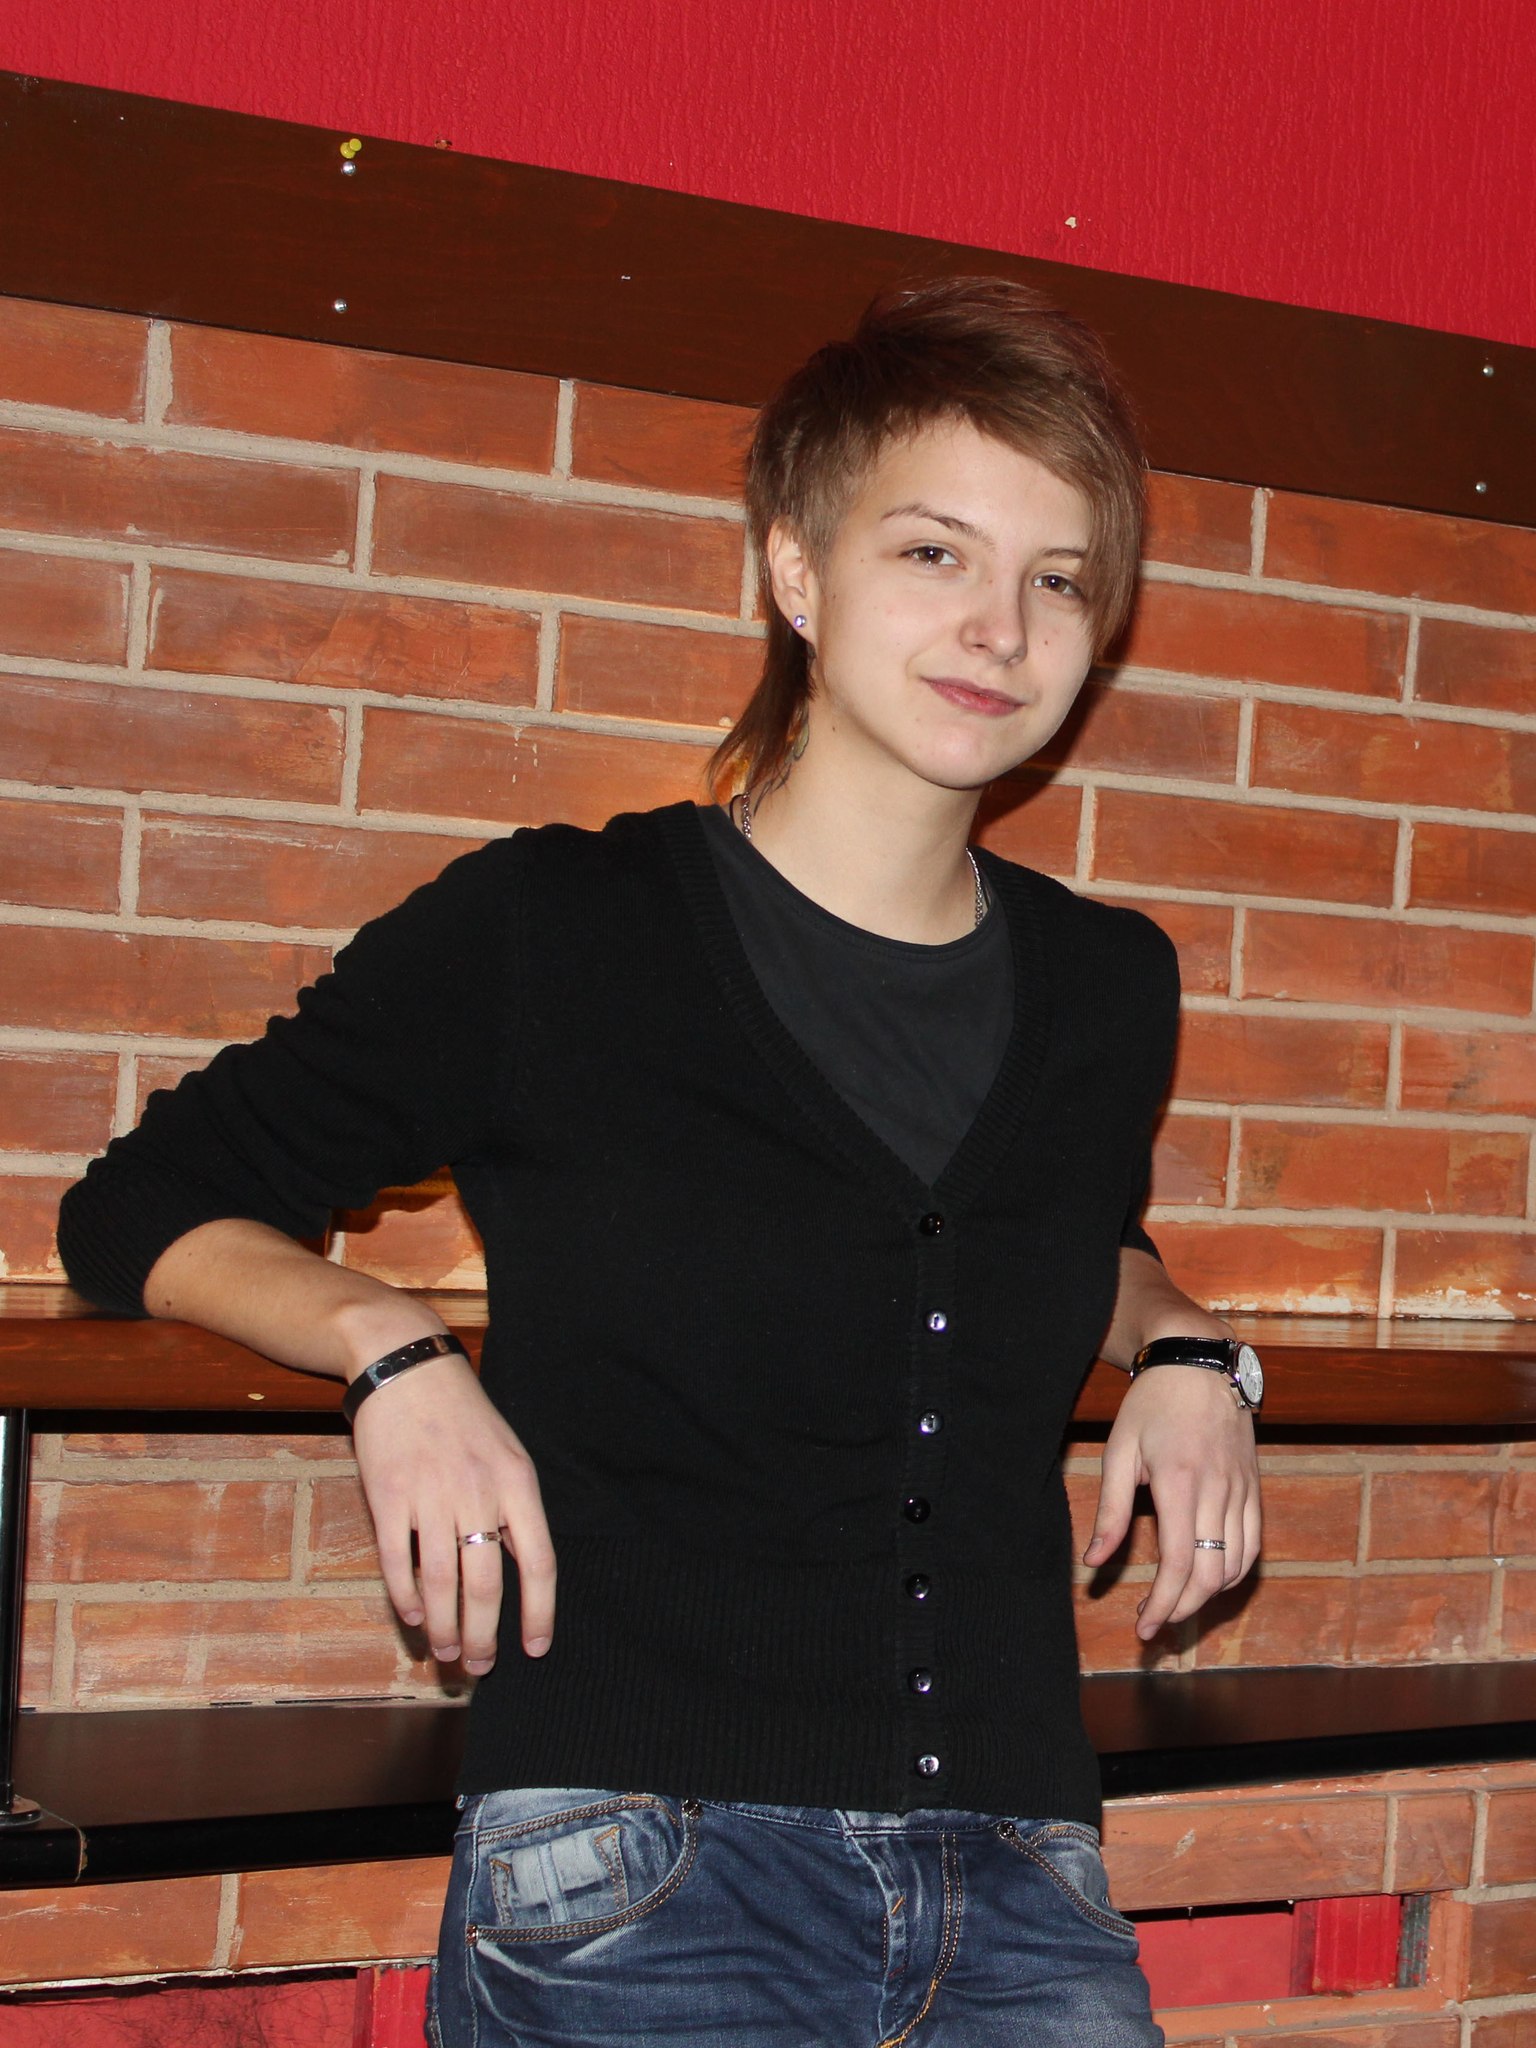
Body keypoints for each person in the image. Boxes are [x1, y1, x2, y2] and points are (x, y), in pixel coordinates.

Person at [59, 277, 1261, 2047]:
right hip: (640, 1867)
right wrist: (385, 1346)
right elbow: (140, 1204)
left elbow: (1060, 1242)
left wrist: (1187, 1345)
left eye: (1060, 579)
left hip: (1022, 1869)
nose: (1000, 626)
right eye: (934, 552)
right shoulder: (558, 930)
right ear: (797, 571)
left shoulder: (1106, 985)